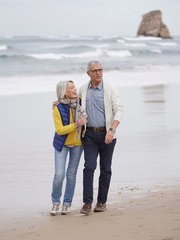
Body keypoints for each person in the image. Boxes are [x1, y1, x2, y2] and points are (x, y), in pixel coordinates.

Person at [79, 60, 124, 215]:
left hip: (107, 134)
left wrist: (112, 130)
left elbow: (119, 110)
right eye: (94, 70)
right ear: (88, 73)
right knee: (89, 167)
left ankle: (101, 202)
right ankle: (87, 203)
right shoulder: (83, 90)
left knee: (105, 169)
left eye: (100, 70)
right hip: (89, 135)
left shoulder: (110, 89)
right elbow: (73, 104)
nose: (98, 72)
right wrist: (58, 102)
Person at [51, 80, 88, 216]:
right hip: (62, 144)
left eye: (74, 87)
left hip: (78, 145)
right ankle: (55, 202)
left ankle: (66, 204)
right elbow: (60, 130)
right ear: (64, 92)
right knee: (59, 175)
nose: (75, 89)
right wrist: (76, 124)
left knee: (71, 176)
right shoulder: (57, 107)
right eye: (71, 88)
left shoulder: (80, 103)